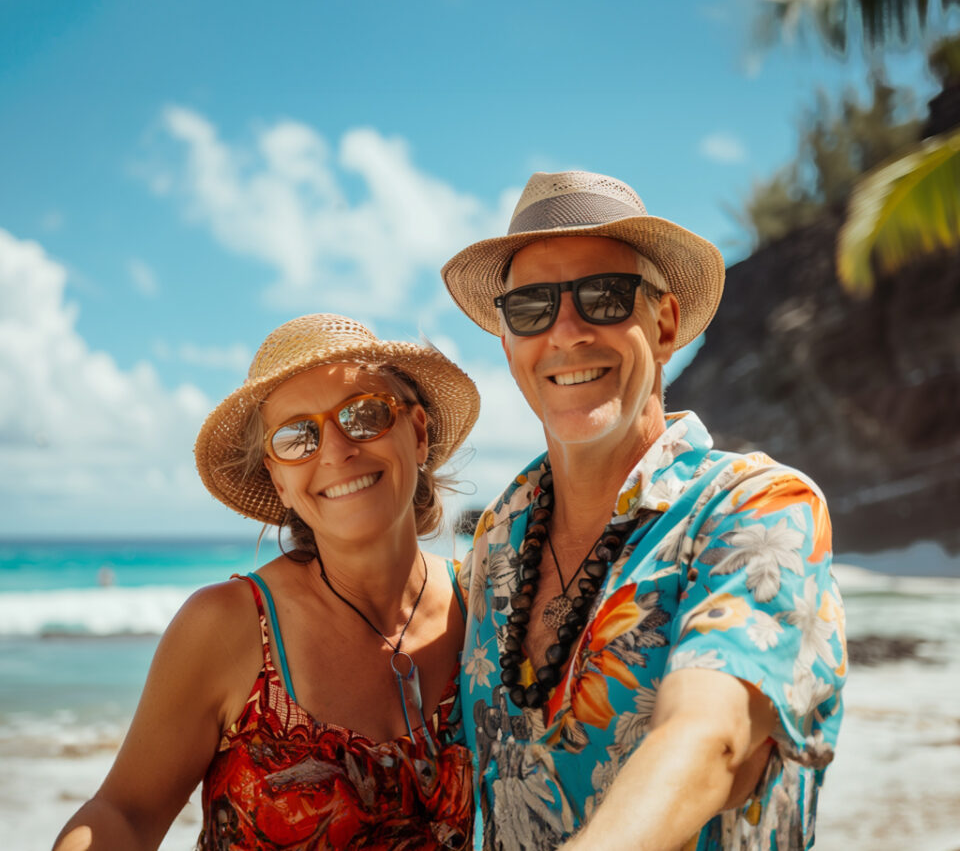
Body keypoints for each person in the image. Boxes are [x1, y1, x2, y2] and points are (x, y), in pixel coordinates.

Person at [439, 171, 845, 850]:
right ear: (508, 345)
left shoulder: (757, 507)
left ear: (665, 324)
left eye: (603, 297)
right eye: (532, 309)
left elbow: (709, 738)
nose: (567, 332)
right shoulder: (497, 540)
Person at [54, 314, 482, 851]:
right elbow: (124, 813)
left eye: (364, 414)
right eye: (298, 436)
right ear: (278, 477)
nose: (335, 450)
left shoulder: (485, 605)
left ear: (417, 432)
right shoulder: (228, 627)